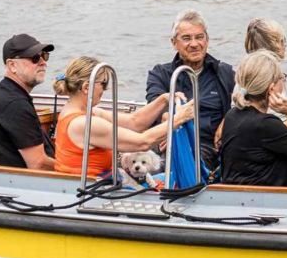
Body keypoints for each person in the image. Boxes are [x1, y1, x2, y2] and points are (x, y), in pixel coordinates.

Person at [52, 56, 190, 178]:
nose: (105, 89)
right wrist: (179, 119)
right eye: (103, 84)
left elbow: (134, 122)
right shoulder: (84, 124)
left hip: (97, 181)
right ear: (87, 87)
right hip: (90, 189)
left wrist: (163, 99)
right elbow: (142, 142)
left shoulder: (78, 112)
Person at [216, 50, 287, 187]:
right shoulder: (265, 124)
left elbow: (266, 138)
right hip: (269, 204)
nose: (283, 81)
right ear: (272, 89)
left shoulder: (232, 115)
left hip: (240, 200)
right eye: (282, 77)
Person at [146, 9, 236, 173]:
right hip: (168, 139)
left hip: (206, 146)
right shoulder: (160, 74)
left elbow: (247, 100)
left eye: (199, 37)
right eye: (186, 38)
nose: (194, 44)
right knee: (142, 164)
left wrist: (228, 119)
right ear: (174, 43)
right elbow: (155, 107)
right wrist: (173, 128)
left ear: (207, 40)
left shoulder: (225, 73)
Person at [0, 34, 56, 170]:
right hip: (17, 185)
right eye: (35, 58)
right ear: (12, 65)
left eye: (44, 56)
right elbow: (38, 164)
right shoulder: (15, 104)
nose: (43, 62)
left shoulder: (5, 93)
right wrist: (78, 169)